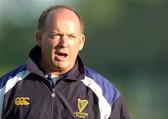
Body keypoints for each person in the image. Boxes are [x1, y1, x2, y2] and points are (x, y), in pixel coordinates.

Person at [0, 5, 130, 119]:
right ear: (39, 38)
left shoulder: (105, 95)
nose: (64, 43)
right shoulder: (6, 88)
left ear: (81, 42)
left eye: (71, 36)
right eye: (56, 35)